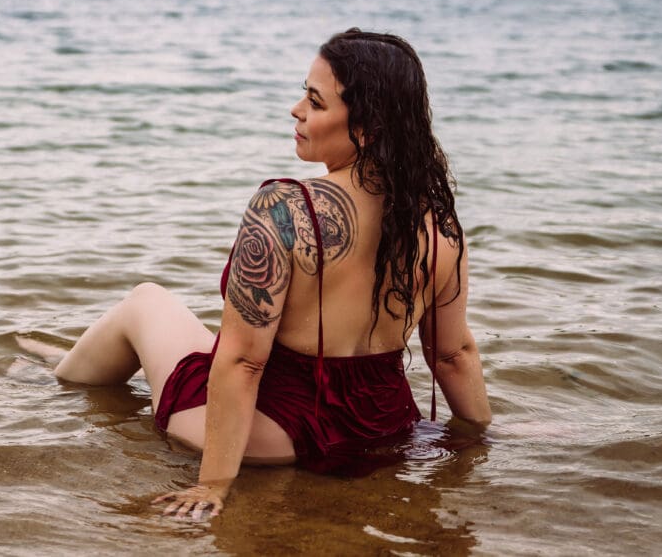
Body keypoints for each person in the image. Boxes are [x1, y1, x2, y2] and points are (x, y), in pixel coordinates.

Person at [53, 28, 491, 520]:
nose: (296, 110)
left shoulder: (284, 207)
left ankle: (56, 382)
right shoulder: (438, 223)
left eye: (315, 101)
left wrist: (213, 485)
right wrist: (481, 433)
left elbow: (243, 362)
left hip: (277, 434)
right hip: (382, 428)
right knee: (195, 337)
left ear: (368, 128)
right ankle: (56, 363)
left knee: (145, 299)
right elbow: (453, 353)